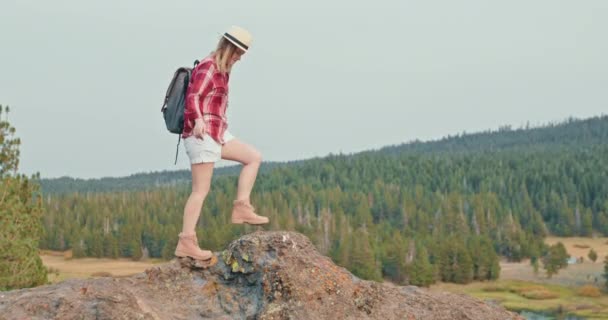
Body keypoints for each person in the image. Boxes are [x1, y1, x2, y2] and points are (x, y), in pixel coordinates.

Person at [174, 26, 269, 261]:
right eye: (238, 53)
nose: (239, 58)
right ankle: (186, 241)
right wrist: (197, 120)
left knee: (253, 157)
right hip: (201, 133)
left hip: (217, 132)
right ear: (229, 49)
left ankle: (241, 207)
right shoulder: (209, 66)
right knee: (200, 191)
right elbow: (193, 96)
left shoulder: (223, 70)